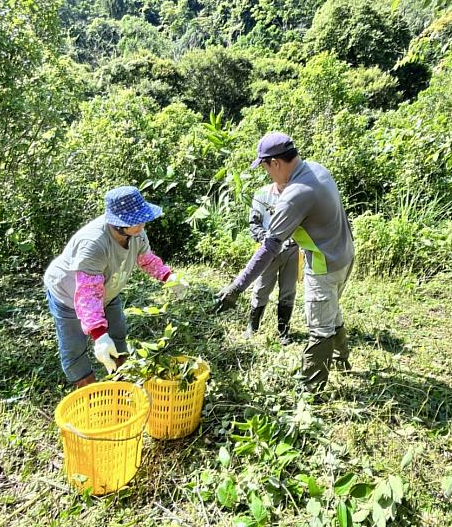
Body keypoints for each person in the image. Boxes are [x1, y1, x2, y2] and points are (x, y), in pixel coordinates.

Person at [215, 132, 354, 394]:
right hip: (345, 254)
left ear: (275, 163)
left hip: (324, 264)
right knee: (333, 312)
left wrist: (236, 287)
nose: (268, 175)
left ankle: (311, 392)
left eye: (266, 168)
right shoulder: (316, 169)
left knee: (320, 328)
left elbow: (269, 248)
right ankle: (342, 361)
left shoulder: (295, 194)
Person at [44, 186, 188, 388]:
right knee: (75, 348)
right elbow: (88, 294)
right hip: (67, 295)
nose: (142, 224)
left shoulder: (137, 232)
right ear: (117, 223)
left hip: (107, 292)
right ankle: (92, 396)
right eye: (136, 221)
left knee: (117, 333)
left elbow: (146, 259)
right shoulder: (93, 244)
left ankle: (122, 383)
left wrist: (168, 276)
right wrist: (98, 335)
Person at [244, 181, 298, 345]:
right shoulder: (262, 194)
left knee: (288, 290)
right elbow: (254, 223)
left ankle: (283, 331)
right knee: (262, 287)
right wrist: (266, 240)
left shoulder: (298, 194)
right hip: (268, 249)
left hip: (293, 248)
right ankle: (252, 327)